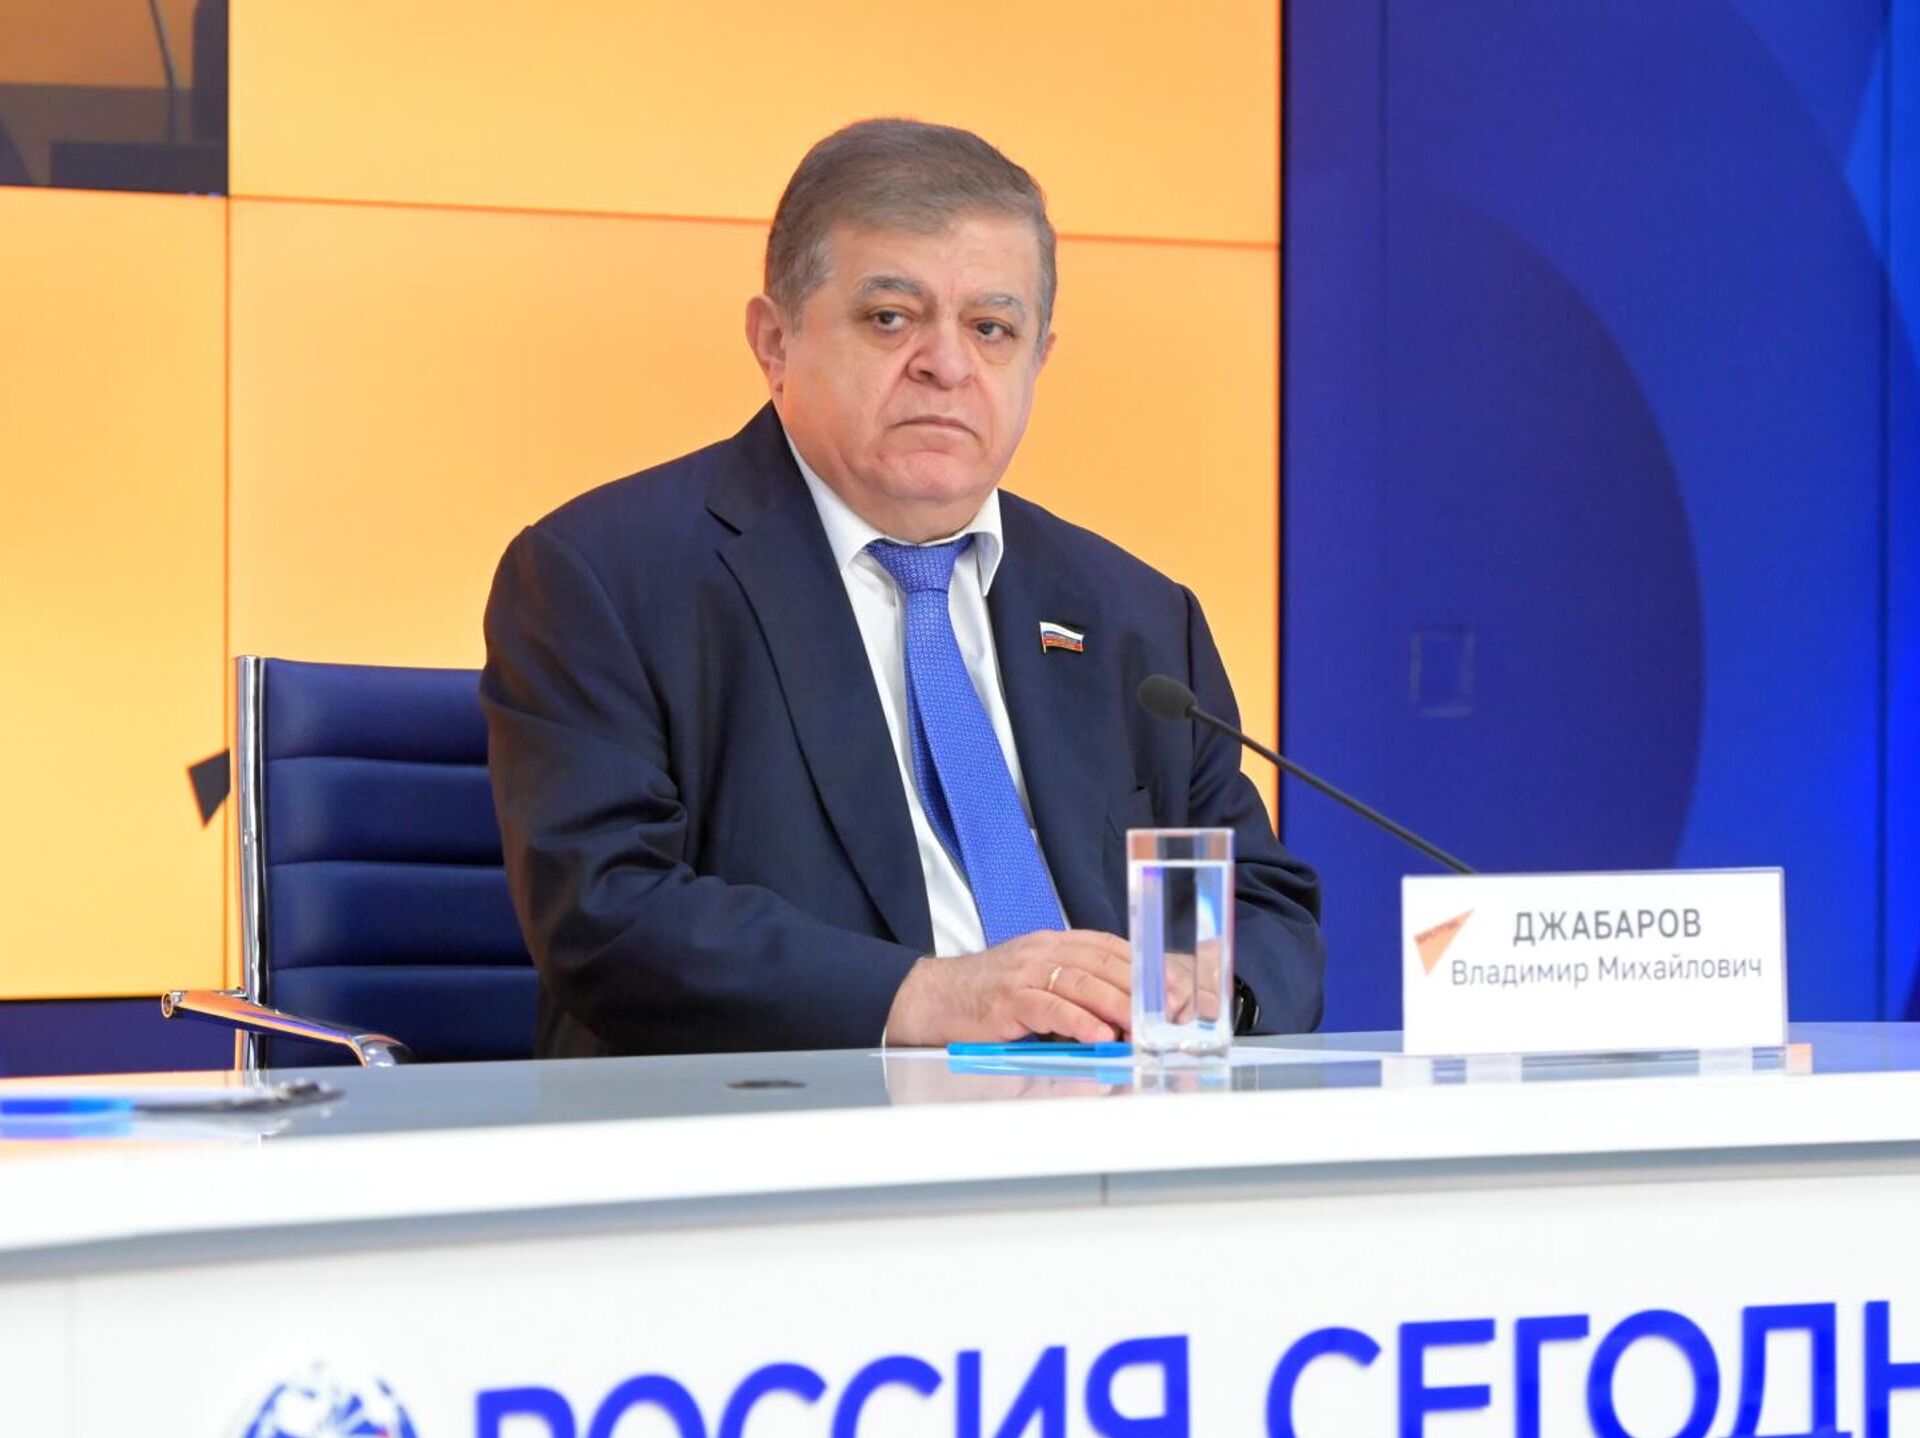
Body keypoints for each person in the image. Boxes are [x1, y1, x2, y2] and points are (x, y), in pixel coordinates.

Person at [482, 118, 1323, 1058]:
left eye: (991, 328)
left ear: (1039, 359)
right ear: (774, 342)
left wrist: (1205, 991)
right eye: (890, 317)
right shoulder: (607, 578)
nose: (947, 365)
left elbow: (1255, 904)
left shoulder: (1134, 616)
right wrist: (924, 998)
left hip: (1111, 1119)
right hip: (792, 1123)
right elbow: (607, 911)